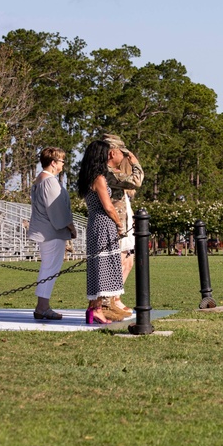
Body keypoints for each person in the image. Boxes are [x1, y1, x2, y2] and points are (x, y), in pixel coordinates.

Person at [76, 139, 126, 325]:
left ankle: (93, 308)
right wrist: (119, 223)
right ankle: (96, 309)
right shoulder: (98, 178)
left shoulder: (89, 177)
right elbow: (108, 206)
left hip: (94, 223)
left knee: (98, 266)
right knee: (103, 266)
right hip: (103, 224)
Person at [26, 147, 77, 320]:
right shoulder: (49, 181)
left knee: (49, 267)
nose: (63, 164)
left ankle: (42, 306)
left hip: (47, 231)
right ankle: (42, 307)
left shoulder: (41, 180)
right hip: (51, 232)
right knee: (50, 268)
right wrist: (70, 226)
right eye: (62, 161)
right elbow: (57, 209)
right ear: (53, 162)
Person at [103, 134, 143, 315]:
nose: (125, 156)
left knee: (127, 261)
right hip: (115, 224)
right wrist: (135, 162)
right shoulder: (107, 173)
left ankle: (115, 298)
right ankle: (110, 300)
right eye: (122, 153)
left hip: (125, 222)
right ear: (112, 153)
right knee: (118, 261)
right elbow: (137, 181)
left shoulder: (115, 173)